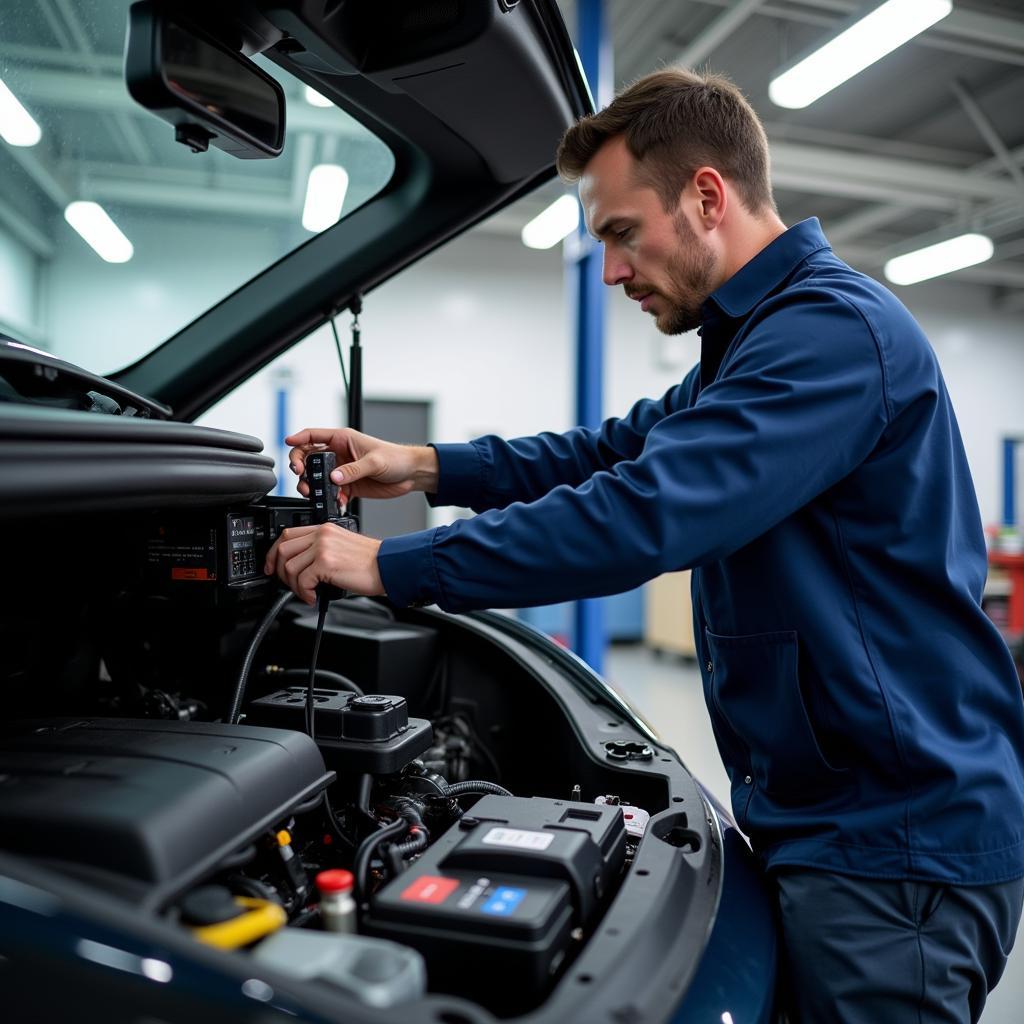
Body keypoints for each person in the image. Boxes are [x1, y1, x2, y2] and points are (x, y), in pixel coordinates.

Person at [265, 68, 1024, 1022]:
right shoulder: (753, 341)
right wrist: (421, 466)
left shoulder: (831, 333)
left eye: (622, 234)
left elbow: (646, 512)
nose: (613, 270)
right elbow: (608, 451)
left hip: (892, 844)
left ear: (707, 196)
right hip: (834, 818)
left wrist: (387, 566)